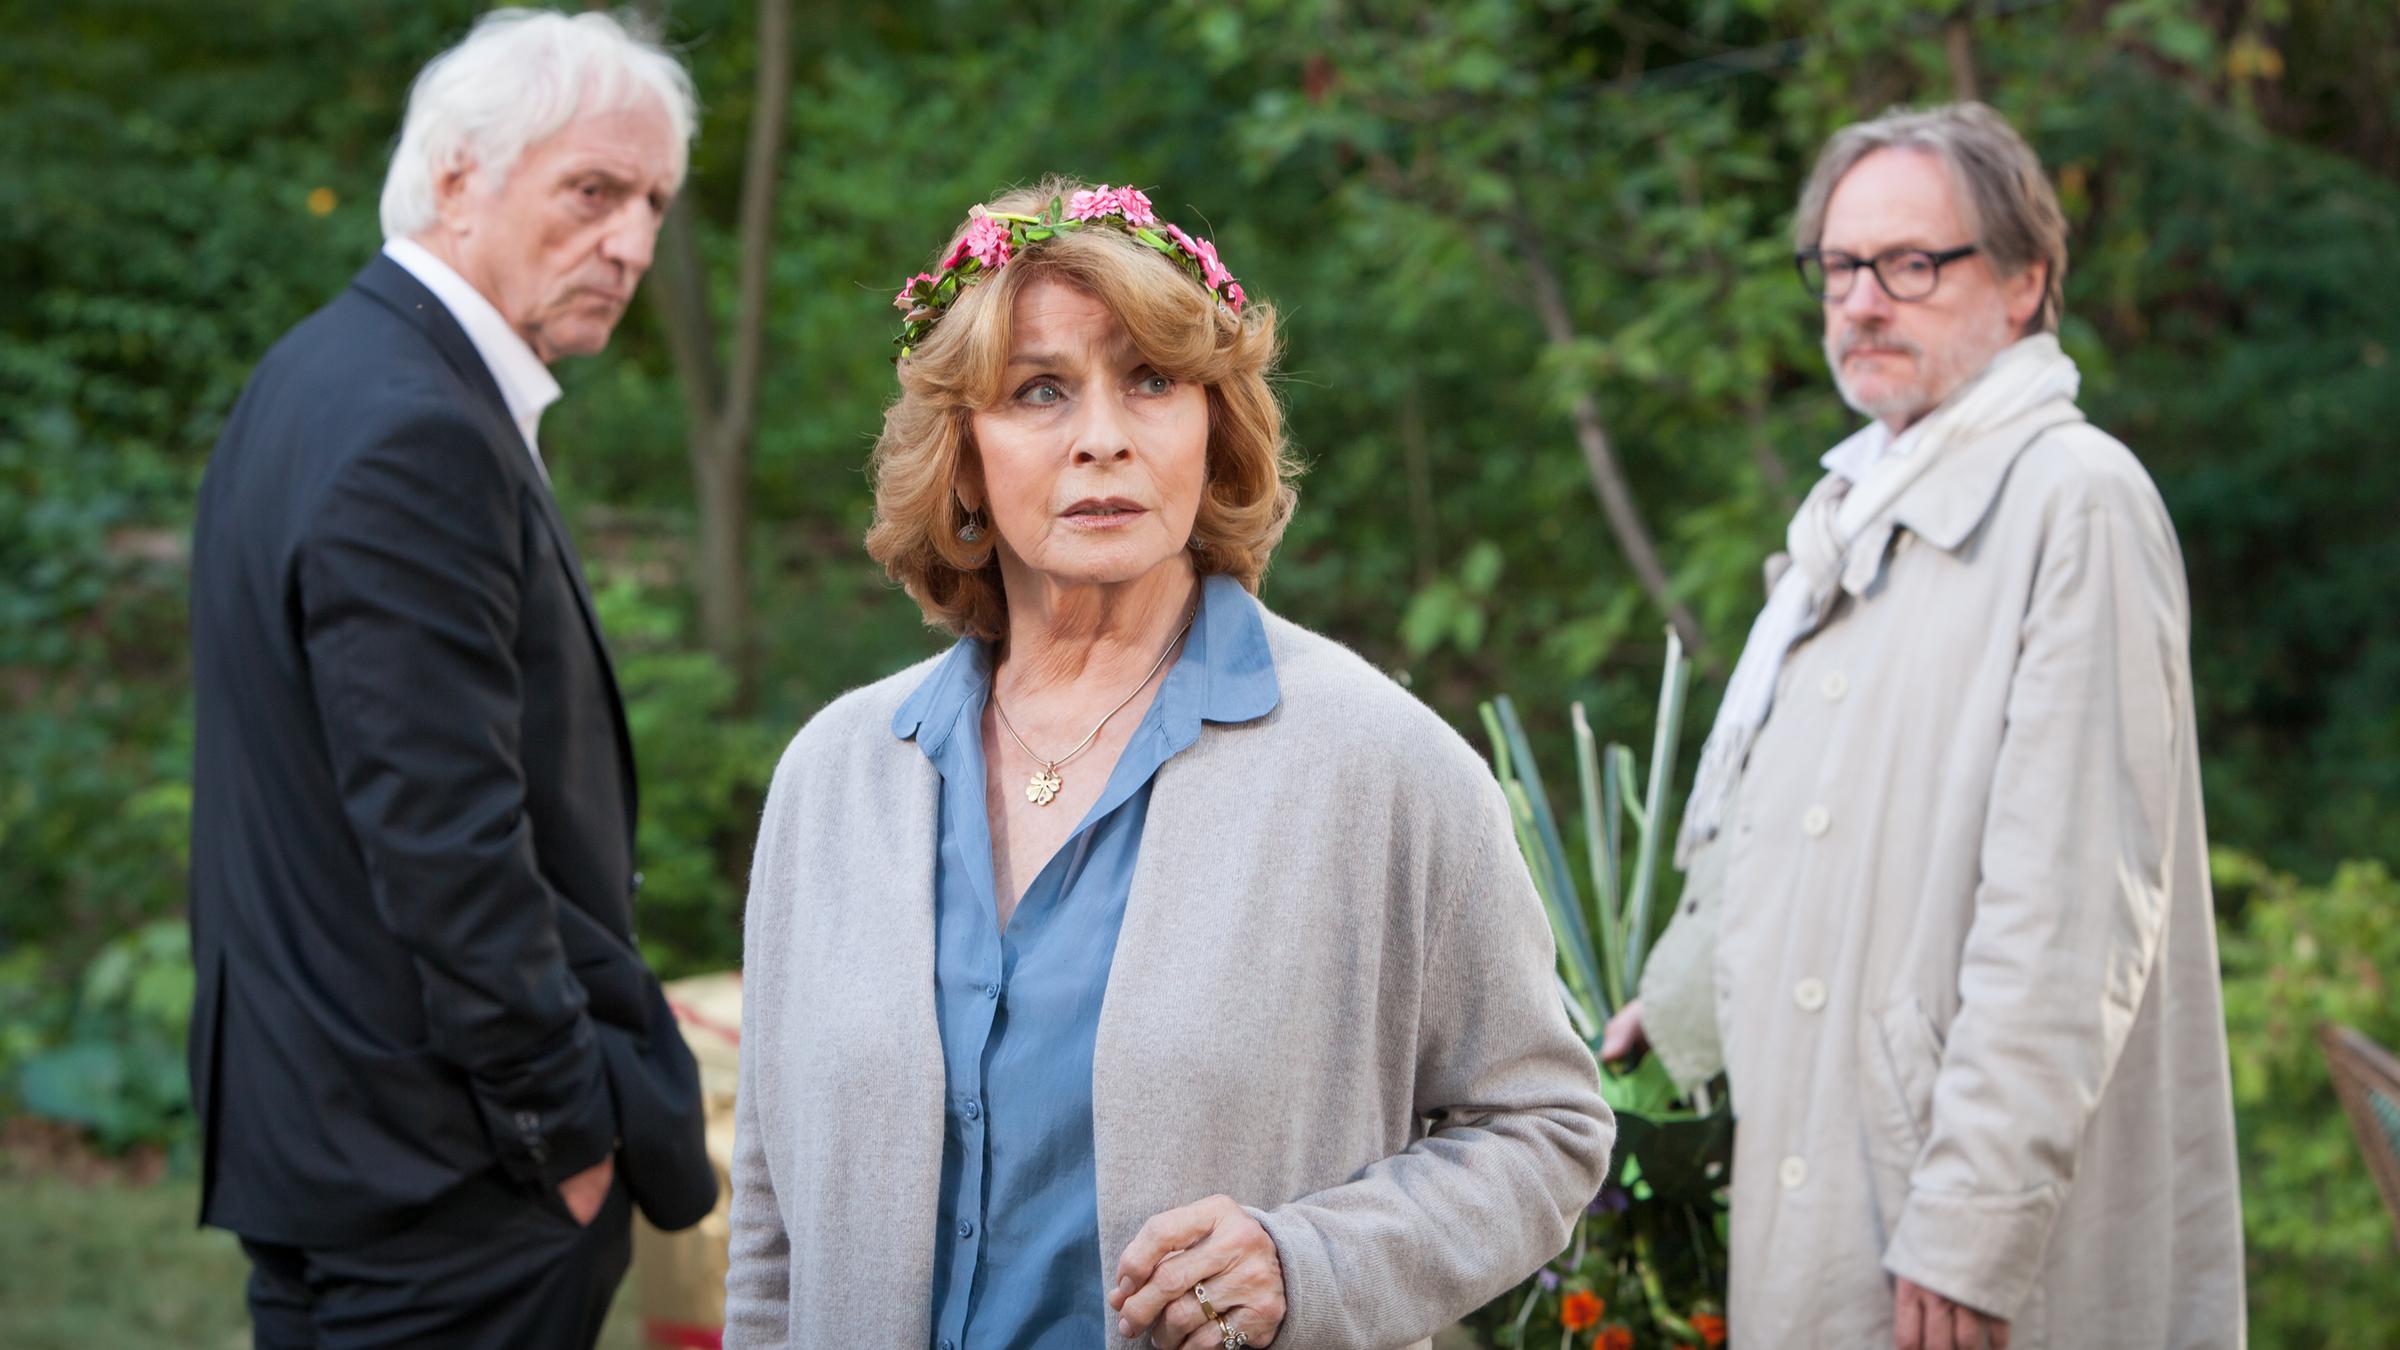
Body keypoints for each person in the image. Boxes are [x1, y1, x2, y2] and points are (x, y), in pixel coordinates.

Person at [722, 179, 1615, 1350]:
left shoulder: (1382, 766)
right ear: (964, 456)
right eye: (1040, 390)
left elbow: (1544, 1127)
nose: (1104, 434)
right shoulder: (837, 778)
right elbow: (775, 1228)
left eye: (1151, 380)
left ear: (1214, 427)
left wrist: (1312, 1266)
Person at [1602, 104, 2244, 1349]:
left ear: (2024, 284)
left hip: (1963, 1245)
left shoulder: (2077, 500)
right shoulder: (1855, 508)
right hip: (1833, 1183)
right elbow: (1782, 826)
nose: (1861, 301)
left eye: (1911, 263)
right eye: (1840, 267)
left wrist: (1972, 1223)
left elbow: (2070, 917)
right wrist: (1669, 1015)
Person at [186, 11, 716, 1347]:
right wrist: (563, 1127)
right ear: (458, 176)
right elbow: (442, 835)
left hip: (333, 1138)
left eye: (653, 202)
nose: (634, 243)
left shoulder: (315, 376)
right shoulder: (414, 424)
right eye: (594, 190)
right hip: (448, 1170)